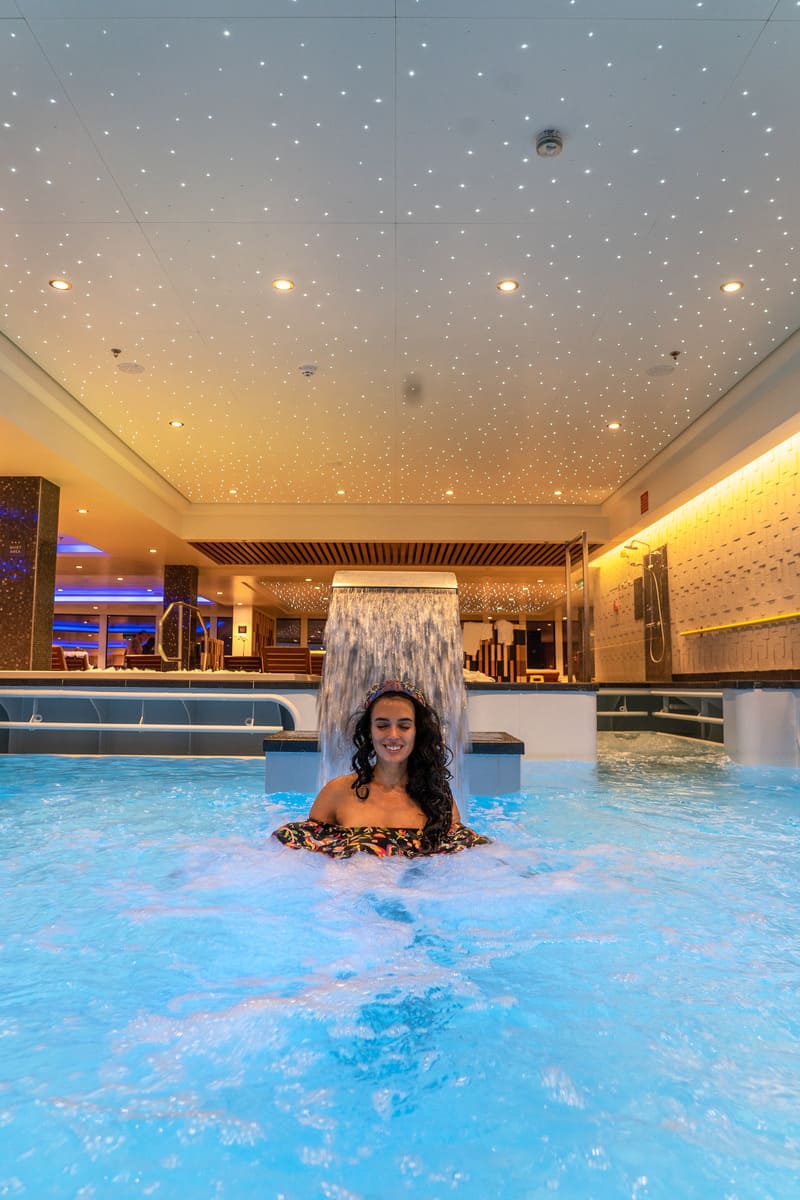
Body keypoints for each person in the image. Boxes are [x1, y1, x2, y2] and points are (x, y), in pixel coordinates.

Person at [272, 679, 490, 858]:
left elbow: (458, 871)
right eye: (382, 725)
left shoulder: (437, 798)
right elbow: (306, 866)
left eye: (404, 726)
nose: (393, 735)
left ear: (417, 732)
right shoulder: (336, 793)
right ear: (369, 731)